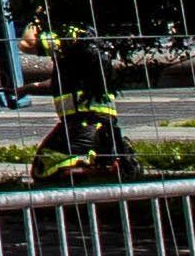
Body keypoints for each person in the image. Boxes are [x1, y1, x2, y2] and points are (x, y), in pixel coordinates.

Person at [28, 36, 143, 185]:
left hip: (83, 121)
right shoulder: (93, 52)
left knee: (43, 170)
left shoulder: (67, 38)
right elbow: (64, 84)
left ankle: (107, 171)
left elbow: (27, 44)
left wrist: (35, 20)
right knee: (55, 165)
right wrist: (27, 88)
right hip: (100, 120)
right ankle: (108, 169)